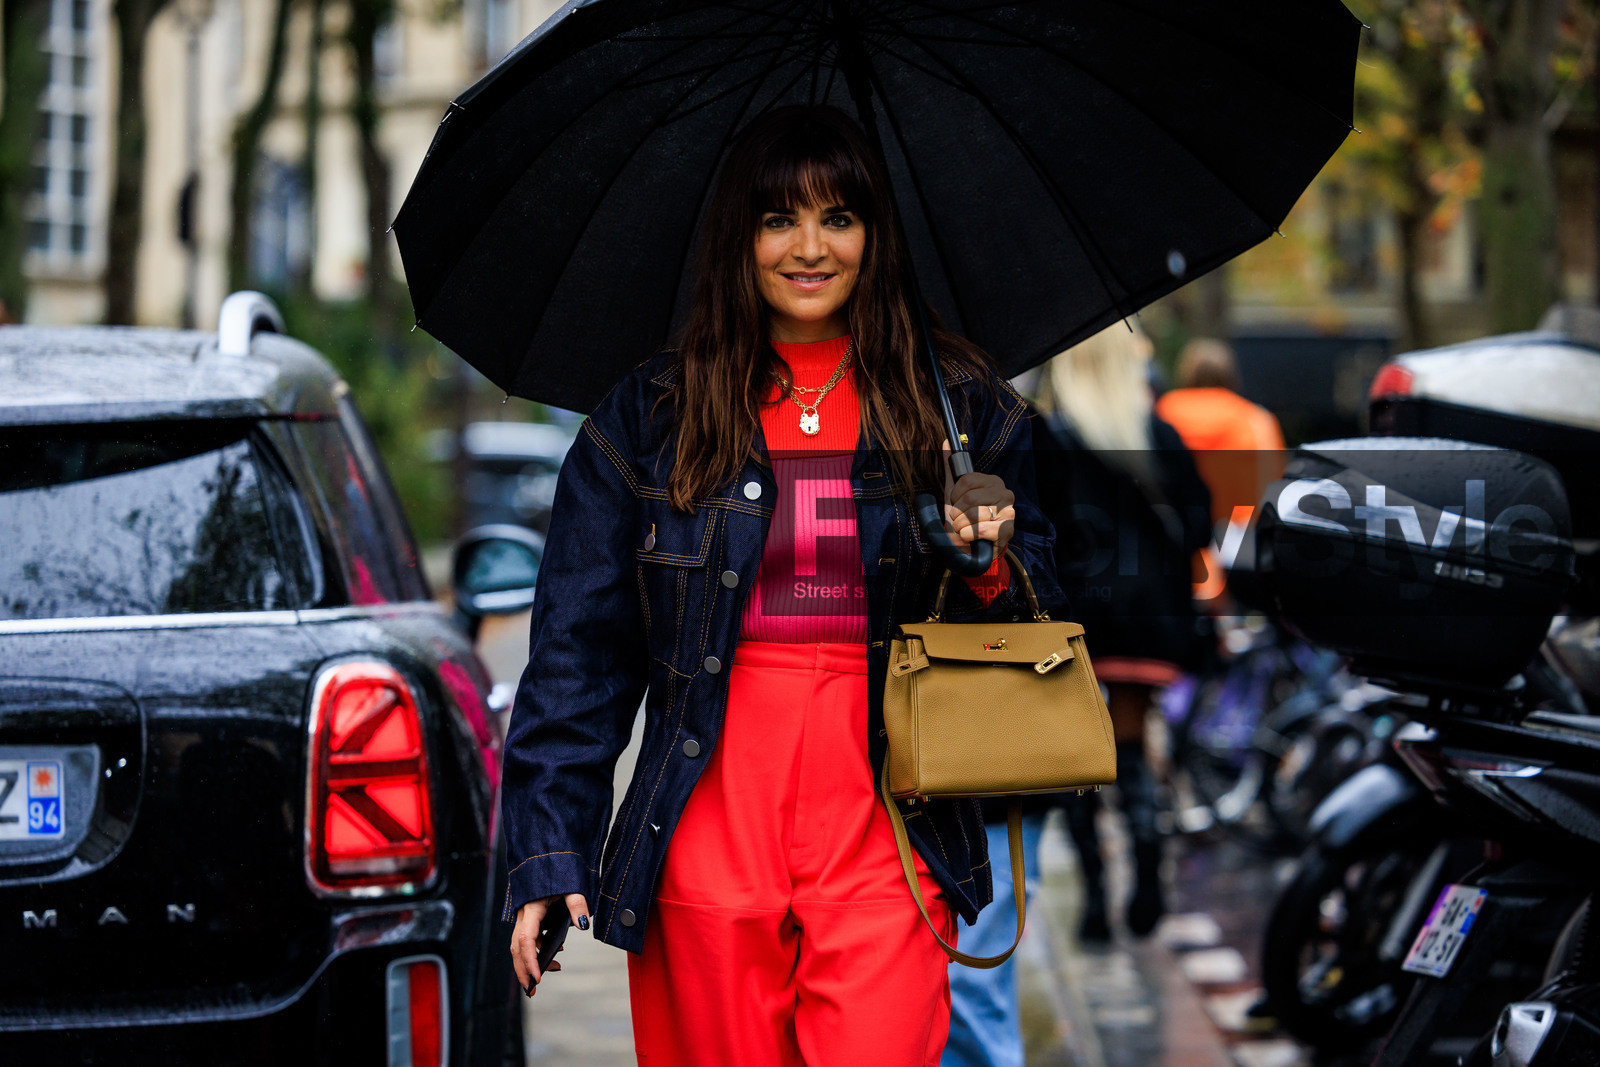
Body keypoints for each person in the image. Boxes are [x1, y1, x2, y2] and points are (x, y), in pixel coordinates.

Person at [500, 105, 1063, 1067]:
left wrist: (990, 555)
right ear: (739, 238)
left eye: (839, 217)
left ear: (877, 235)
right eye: (778, 219)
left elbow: (1045, 624)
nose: (810, 247)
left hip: (886, 830)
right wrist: (548, 853)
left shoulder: (960, 407)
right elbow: (577, 654)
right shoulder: (650, 417)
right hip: (707, 831)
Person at [1035, 322, 1211, 942]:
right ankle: (1148, 879)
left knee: (1078, 759)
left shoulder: (1049, 438)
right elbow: (1198, 527)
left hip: (1076, 622)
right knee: (1133, 749)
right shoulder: (1156, 435)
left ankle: (1093, 902)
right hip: (1149, 620)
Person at [1154, 338, 1285, 526]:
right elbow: (1273, 480)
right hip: (1239, 533)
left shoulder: (1164, 413)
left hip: (1180, 530)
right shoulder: (1255, 419)